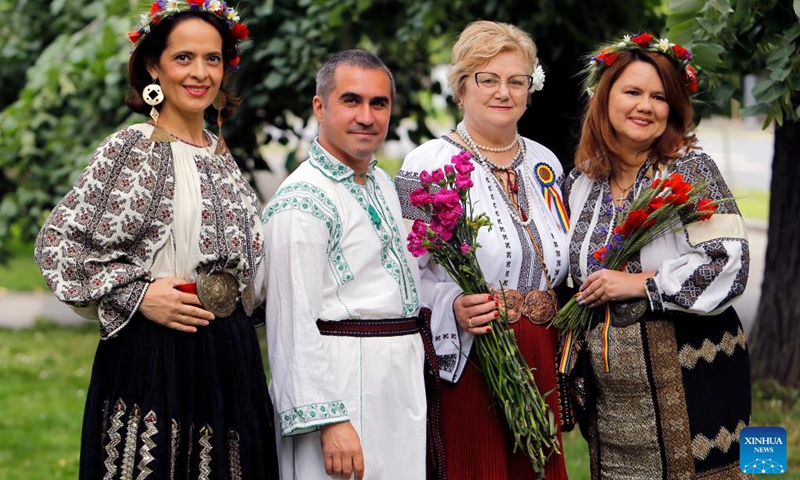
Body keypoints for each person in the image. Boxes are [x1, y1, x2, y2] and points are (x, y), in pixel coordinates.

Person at [34, 2, 279, 478]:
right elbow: (60, 245)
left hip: (229, 359)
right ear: (153, 66)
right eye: (183, 58)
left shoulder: (221, 155)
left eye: (212, 59)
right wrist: (138, 293)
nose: (200, 73)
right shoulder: (131, 148)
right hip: (156, 353)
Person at [562, 32, 751, 479]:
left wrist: (641, 283)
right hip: (615, 395)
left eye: (660, 97)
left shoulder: (690, 168)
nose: (646, 106)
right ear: (604, 97)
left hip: (694, 371)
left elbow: (730, 263)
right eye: (632, 92)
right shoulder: (581, 179)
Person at [395, 21, 570, 479]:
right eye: (487, 79)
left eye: (516, 81)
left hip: (539, 352)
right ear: (461, 88)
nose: (503, 92)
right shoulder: (428, 162)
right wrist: (451, 304)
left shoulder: (545, 162)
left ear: (530, 90)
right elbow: (401, 270)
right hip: (477, 351)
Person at [262, 49, 438, 480]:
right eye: (351, 100)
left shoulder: (379, 181)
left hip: (394, 384)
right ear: (320, 107)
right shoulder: (301, 201)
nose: (367, 116)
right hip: (340, 388)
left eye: (379, 103)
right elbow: (290, 323)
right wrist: (330, 421)